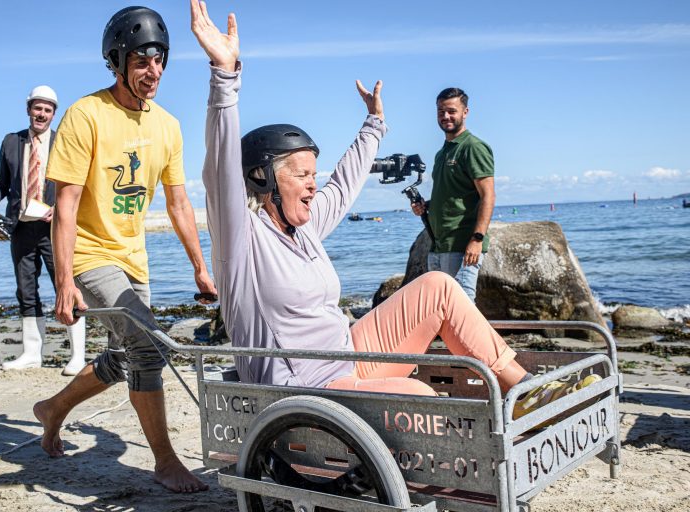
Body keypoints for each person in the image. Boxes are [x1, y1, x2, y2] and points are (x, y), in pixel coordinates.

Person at [191, 0, 598, 415]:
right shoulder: (242, 239)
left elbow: (344, 183)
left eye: (314, 174)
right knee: (420, 398)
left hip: (348, 357)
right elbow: (220, 171)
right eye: (302, 175)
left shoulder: (304, 228)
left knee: (439, 287)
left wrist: (373, 125)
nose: (314, 185)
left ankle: (526, 392)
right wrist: (224, 75)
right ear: (263, 179)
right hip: (304, 392)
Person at [33, 6, 216, 494]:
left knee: (122, 358)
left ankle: (52, 409)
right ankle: (166, 461)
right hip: (90, 255)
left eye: (159, 61)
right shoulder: (85, 115)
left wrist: (200, 268)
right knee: (149, 346)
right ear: (116, 62)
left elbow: (178, 202)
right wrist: (65, 282)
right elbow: (66, 206)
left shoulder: (168, 126)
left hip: (134, 259)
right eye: (140, 61)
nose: (152, 71)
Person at [0, 86, 86, 375]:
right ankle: (32, 354)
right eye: (37, 108)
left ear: (54, 114)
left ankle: (77, 356)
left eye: (47, 110)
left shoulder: (64, 141)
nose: (41, 114)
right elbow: (2, 184)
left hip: (55, 228)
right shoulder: (11, 142)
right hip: (20, 227)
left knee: (66, 286)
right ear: (28, 109)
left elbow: (80, 184)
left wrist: (60, 209)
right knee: (25, 290)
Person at [412, 87, 495, 303]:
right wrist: (427, 206)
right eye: (441, 111)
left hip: (462, 246)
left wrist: (477, 239)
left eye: (451, 111)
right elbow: (453, 195)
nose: (446, 116)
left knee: (462, 309)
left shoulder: (473, 147)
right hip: (438, 245)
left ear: (465, 112)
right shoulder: (442, 153)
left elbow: (488, 196)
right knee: (440, 308)